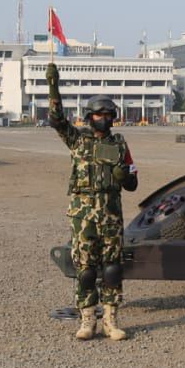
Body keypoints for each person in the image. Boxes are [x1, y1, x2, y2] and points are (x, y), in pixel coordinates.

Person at [46, 62, 138, 341]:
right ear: (89, 116)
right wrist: (53, 85)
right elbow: (56, 119)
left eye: (109, 114)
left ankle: (111, 319)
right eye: (99, 113)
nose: (105, 118)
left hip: (111, 214)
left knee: (112, 268)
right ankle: (88, 320)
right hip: (83, 214)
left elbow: (133, 183)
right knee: (85, 270)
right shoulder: (78, 141)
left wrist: (123, 175)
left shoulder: (121, 145)